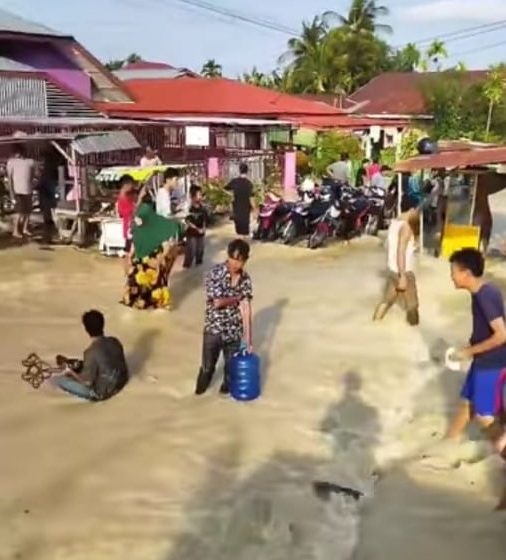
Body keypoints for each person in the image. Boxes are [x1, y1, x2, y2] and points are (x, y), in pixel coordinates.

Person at [445, 249, 506, 445]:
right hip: (485, 360)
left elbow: (501, 335)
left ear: (467, 273)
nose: (451, 276)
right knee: (468, 401)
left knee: (483, 414)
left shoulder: (484, 296)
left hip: (491, 363)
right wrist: (471, 345)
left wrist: (468, 352)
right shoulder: (483, 291)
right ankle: (447, 444)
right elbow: (487, 329)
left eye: (454, 271)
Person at [195, 239, 253, 395]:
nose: (235, 264)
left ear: (245, 260)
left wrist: (248, 340)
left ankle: (222, 403)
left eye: (239, 261)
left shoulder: (246, 279)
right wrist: (238, 298)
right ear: (228, 256)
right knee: (207, 369)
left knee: (230, 372)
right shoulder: (215, 273)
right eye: (233, 259)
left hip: (234, 332)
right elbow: (217, 303)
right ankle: (197, 398)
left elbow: (246, 309)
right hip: (214, 330)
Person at [122, 195, 183, 310]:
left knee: (148, 285)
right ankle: (148, 304)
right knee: (144, 284)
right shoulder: (145, 225)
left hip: (150, 262)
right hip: (146, 261)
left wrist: (161, 258)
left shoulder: (151, 224)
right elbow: (136, 243)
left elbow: (165, 247)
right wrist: (130, 256)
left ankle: (147, 305)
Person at [52, 310, 128, 401]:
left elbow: (87, 382)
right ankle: (77, 366)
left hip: (102, 392)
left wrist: (70, 373)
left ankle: (71, 369)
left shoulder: (91, 352)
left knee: (59, 379)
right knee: (88, 363)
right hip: (120, 382)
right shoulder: (114, 341)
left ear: (86, 329)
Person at [373, 202, 420, 326]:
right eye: (415, 209)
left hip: (392, 269)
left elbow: (390, 247)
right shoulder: (406, 227)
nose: (417, 212)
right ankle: (414, 331)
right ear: (411, 208)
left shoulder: (394, 223)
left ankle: (374, 325)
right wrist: (403, 276)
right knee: (412, 305)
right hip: (404, 271)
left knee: (387, 300)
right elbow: (401, 252)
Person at [7, 144, 35, 239]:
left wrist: (32, 185)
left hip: (28, 190)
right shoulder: (11, 162)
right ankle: (15, 230)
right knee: (19, 212)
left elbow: (32, 174)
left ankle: (25, 228)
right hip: (17, 191)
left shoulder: (30, 162)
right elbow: (10, 179)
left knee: (28, 211)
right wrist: (11, 193)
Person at [225, 163, 255, 237]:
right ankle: (242, 245)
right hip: (245, 210)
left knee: (238, 230)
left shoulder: (234, 181)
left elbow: (224, 189)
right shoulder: (249, 184)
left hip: (236, 208)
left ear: (239, 170)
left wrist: (231, 195)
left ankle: (239, 244)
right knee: (244, 230)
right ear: (247, 171)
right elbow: (251, 198)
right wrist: (255, 209)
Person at [183, 185, 208, 269]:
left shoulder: (202, 208)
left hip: (201, 232)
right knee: (191, 250)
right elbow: (188, 221)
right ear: (193, 197)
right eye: (198, 195)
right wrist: (197, 229)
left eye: (201, 194)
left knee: (200, 250)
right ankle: (187, 266)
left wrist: (203, 229)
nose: (200, 197)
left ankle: (199, 265)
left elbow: (205, 219)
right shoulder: (189, 208)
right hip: (192, 233)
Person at [116, 174, 137, 257]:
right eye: (131, 184)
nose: (132, 186)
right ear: (126, 185)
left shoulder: (126, 196)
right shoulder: (124, 198)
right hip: (130, 226)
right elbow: (131, 211)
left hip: (129, 225)